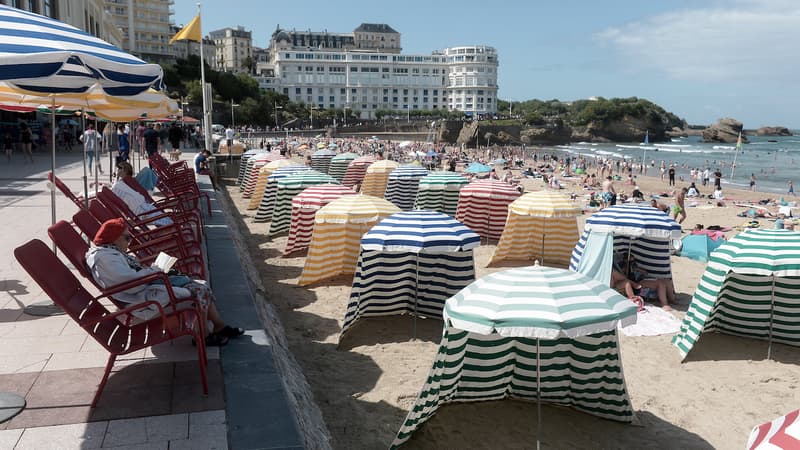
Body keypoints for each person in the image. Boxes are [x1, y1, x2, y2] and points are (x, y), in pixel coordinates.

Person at [86, 218, 243, 346]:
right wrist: (154, 271)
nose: (130, 241)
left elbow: (130, 277)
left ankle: (219, 326)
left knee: (199, 284)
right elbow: (128, 282)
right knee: (198, 289)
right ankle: (202, 336)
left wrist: (155, 270)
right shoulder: (106, 258)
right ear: (114, 239)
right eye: (127, 238)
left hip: (144, 288)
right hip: (141, 299)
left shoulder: (111, 253)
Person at [112, 162, 173, 226]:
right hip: (143, 209)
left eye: (119, 168)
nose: (117, 170)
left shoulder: (124, 182)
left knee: (162, 218)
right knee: (164, 218)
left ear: (124, 170)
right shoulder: (125, 182)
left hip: (141, 209)